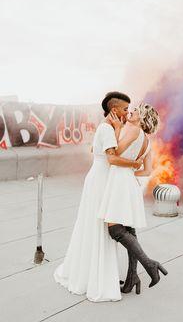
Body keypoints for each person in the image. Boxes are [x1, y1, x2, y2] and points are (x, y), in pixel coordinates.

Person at [53, 91, 143, 302]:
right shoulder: (107, 128)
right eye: (124, 109)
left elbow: (96, 149)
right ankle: (100, 279)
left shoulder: (107, 128)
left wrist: (119, 129)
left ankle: (109, 274)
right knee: (101, 228)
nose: (127, 113)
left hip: (100, 179)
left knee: (101, 228)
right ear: (114, 110)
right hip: (101, 181)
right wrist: (134, 164)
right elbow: (112, 159)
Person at [97, 102, 168, 295]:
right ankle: (132, 278)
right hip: (128, 181)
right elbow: (146, 170)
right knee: (129, 230)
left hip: (120, 180)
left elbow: (115, 153)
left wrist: (118, 128)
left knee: (116, 230)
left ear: (141, 117)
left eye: (135, 110)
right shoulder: (147, 141)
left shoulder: (134, 130)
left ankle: (150, 264)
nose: (130, 112)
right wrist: (131, 173)